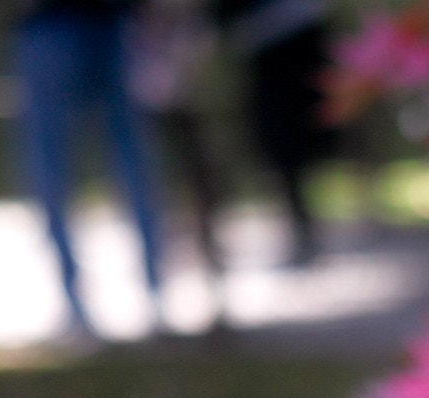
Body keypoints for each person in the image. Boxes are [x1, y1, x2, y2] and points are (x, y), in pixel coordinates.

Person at [6, 0, 164, 335]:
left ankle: (80, 304)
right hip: (101, 24)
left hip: (69, 26)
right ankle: (151, 295)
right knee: (129, 163)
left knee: (55, 167)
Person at [213, 0, 335, 267]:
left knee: (314, 130)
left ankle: (315, 221)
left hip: (296, 38)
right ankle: (303, 223)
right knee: (285, 144)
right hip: (267, 48)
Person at [130, 0, 229, 297]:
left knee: (201, 181)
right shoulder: (130, 29)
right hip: (148, 101)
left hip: (187, 100)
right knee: (155, 182)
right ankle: (163, 271)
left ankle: (210, 267)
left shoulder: (194, 30)